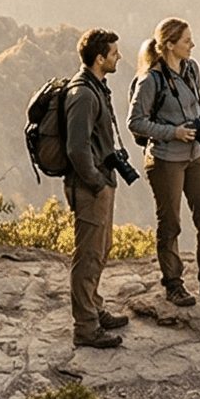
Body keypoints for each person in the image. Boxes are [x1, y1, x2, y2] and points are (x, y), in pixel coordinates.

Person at [130, 17, 200, 311]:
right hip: (166, 159)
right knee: (171, 224)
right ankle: (173, 285)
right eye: (186, 40)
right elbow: (135, 122)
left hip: (195, 155)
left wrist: (198, 126)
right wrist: (174, 132)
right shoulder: (150, 80)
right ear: (169, 45)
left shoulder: (192, 69)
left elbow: (196, 102)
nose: (193, 45)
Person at [64, 28, 134, 348]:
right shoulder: (83, 95)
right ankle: (86, 328)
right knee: (89, 256)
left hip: (103, 181)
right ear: (99, 58)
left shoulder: (97, 88)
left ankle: (95, 306)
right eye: (114, 53)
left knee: (102, 249)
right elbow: (77, 149)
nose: (119, 57)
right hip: (91, 186)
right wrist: (94, 182)